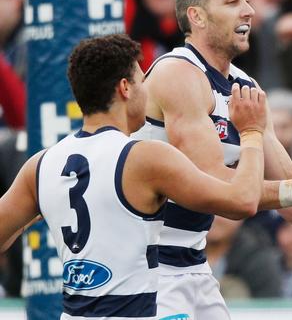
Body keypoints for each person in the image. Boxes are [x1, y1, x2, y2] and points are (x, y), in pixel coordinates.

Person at [0, 34, 268, 319]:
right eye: (142, 81)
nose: (147, 91)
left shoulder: (40, 165)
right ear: (125, 88)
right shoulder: (146, 158)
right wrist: (251, 132)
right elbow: (243, 200)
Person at [129, 0, 292, 319]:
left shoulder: (246, 86)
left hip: (192, 265)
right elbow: (219, 187)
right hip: (148, 268)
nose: (247, 10)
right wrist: (252, 137)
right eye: (232, 2)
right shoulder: (178, 74)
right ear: (196, 16)